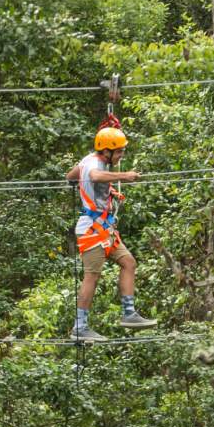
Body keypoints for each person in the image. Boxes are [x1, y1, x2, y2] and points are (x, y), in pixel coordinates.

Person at [65, 126, 157, 343]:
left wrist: (88, 184)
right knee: (92, 277)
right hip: (91, 230)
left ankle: (129, 314)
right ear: (106, 151)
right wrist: (124, 176)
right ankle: (80, 326)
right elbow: (95, 175)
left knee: (129, 263)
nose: (121, 156)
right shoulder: (96, 165)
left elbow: (71, 175)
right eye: (118, 152)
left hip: (105, 230)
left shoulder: (88, 160)